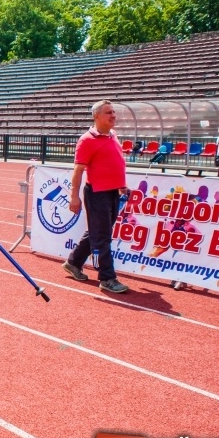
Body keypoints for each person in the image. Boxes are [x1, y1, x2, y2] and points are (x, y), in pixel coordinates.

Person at [61, 100, 130, 294]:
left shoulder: (112, 135)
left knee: (97, 233)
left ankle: (73, 263)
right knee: (102, 238)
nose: (113, 115)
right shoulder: (87, 140)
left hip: (113, 192)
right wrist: (74, 197)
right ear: (96, 116)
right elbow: (78, 171)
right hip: (97, 194)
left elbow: (113, 163)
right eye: (108, 112)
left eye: (114, 112)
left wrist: (121, 185)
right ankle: (107, 278)